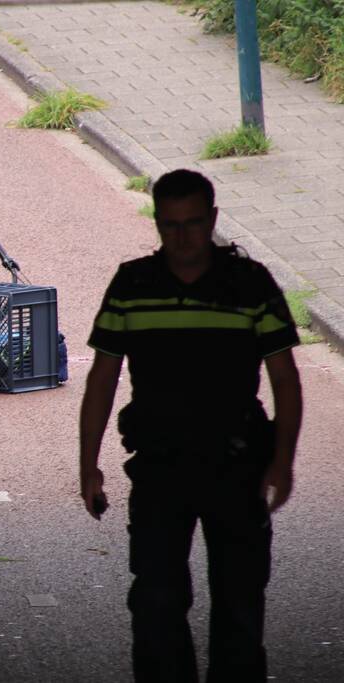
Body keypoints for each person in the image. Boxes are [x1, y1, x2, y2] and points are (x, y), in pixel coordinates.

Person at [78, 169, 303, 682]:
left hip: (238, 465)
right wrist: (88, 466)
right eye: (171, 225)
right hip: (159, 468)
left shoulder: (251, 285)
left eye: (194, 224)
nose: (182, 239)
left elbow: (286, 380)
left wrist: (281, 462)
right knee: (156, 604)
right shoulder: (131, 285)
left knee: (239, 608)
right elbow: (101, 380)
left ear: (214, 220)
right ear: (157, 223)